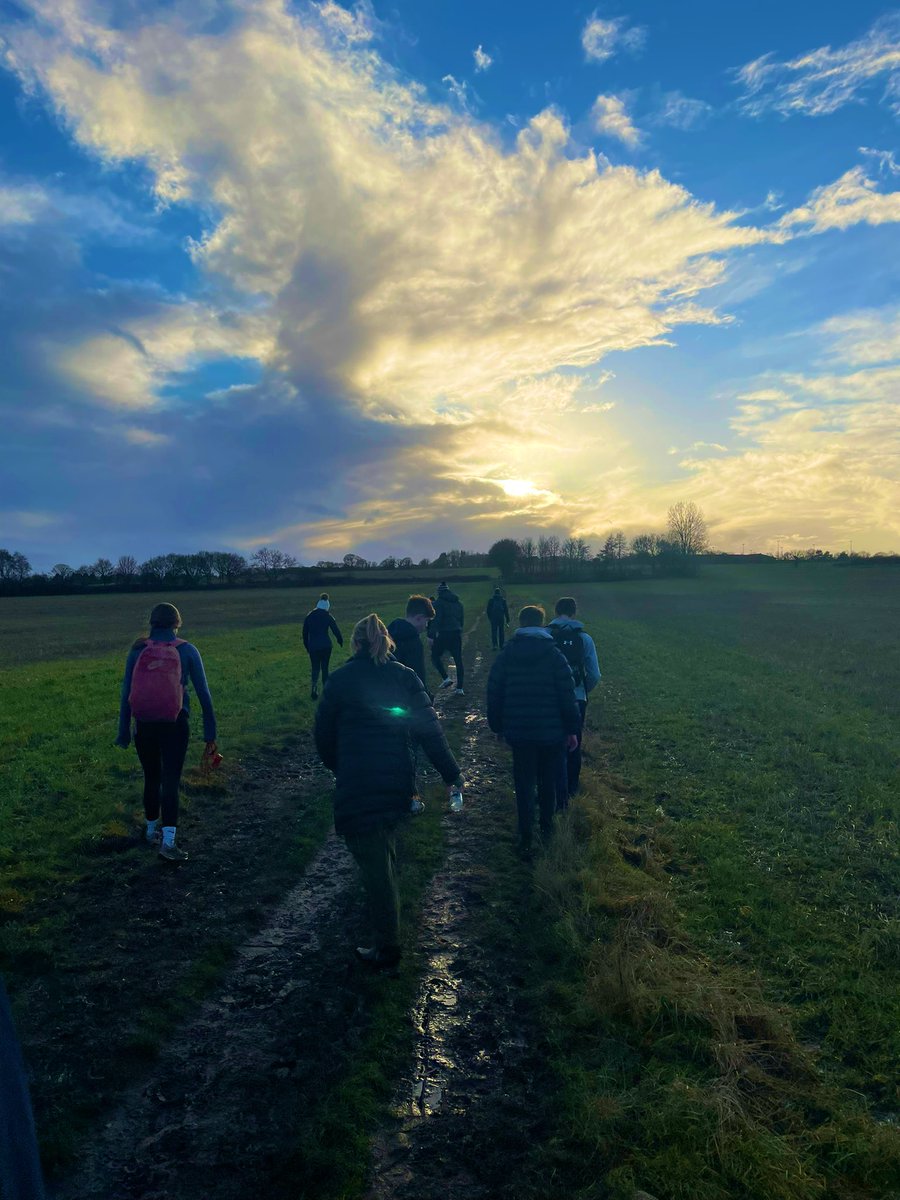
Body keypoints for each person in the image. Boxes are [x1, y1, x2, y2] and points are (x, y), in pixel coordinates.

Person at [314, 615, 464, 968]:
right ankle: (389, 928)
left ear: (354, 643)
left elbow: (322, 737)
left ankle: (388, 948)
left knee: (376, 871)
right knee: (383, 857)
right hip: (398, 783)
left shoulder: (340, 680)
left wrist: (342, 767)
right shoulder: (405, 676)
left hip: (358, 782)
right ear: (388, 641)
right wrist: (452, 774)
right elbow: (431, 732)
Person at [116, 603, 217, 863]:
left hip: (143, 724)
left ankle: (150, 831)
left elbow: (126, 693)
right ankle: (169, 842)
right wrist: (210, 733)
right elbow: (204, 695)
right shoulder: (187, 650)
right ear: (177, 623)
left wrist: (123, 731)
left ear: (152, 623)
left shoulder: (138, 650)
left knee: (151, 777)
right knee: (170, 779)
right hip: (176, 724)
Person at [486, 605, 579, 854]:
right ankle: (547, 831)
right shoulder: (555, 656)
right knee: (547, 783)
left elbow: (494, 692)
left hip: (520, 732)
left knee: (524, 783)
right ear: (542, 624)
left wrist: (497, 726)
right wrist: (572, 730)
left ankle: (525, 836)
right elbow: (567, 696)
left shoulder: (506, 655)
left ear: (520, 624)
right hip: (551, 734)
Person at [547, 597, 601, 807]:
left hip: (549, 698)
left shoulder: (547, 635)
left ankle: (549, 786)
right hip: (576, 698)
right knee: (573, 744)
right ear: (574, 612)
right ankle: (571, 789)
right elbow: (595, 674)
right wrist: (582, 691)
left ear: (556, 610)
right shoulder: (585, 638)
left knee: (550, 742)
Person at [387, 594, 435, 691]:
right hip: (406, 697)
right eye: (426, 621)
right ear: (419, 618)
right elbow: (417, 674)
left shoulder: (387, 635)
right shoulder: (414, 642)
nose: (426, 626)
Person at [302, 592, 344, 699]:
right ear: (327, 605)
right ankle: (325, 690)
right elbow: (335, 630)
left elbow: (304, 633)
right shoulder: (328, 616)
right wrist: (340, 640)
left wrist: (307, 646)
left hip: (313, 647)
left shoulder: (309, 616)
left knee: (315, 667)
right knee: (325, 668)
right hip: (326, 646)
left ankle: (314, 687)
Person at [429, 580, 466, 695]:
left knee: (435, 656)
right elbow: (461, 620)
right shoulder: (458, 603)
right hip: (456, 633)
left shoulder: (438, 603)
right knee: (458, 660)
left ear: (439, 592)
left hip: (443, 634)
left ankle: (446, 678)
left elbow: (436, 621)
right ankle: (460, 688)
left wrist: (431, 635)